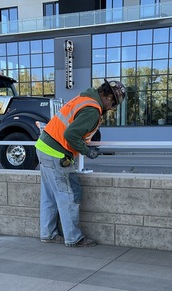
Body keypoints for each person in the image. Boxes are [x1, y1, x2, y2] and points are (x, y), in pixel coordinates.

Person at [36, 79, 126, 247]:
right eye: (113, 104)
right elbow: (71, 134)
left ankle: (47, 233)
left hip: (44, 146)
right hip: (57, 152)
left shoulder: (84, 98)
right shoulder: (92, 110)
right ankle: (74, 238)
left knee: (49, 195)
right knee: (70, 194)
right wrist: (87, 151)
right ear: (107, 97)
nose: (112, 108)